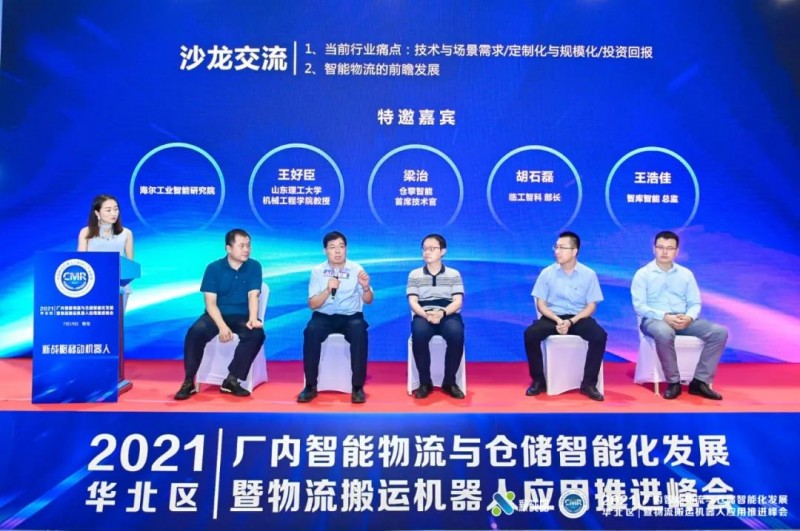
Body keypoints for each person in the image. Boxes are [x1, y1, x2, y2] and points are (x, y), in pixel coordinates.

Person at [631, 230, 728, 400]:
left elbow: (695, 302)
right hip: (654, 320)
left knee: (719, 332)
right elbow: (639, 306)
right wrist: (664, 316)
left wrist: (689, 317)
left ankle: (699, 382)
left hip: (683, 319)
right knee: (664, 332)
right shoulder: (643, 274)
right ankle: (674, 382)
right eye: (660, 247)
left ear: (677, 251)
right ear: (654, 249)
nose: (664, 252)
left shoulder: (686, 274)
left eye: (670, 248)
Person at [174, 229, 265, 400]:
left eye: (248, 245)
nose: (246, 250)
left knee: (256, 334)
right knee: (195, 332)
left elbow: (253, 295)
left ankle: (232, 379)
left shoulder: (254, 266)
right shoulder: (213, 268)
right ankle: (189, 381)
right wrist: (222, 326)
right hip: (215, 315)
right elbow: (210, 303)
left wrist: (253, 318)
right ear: (228, 248)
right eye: (241, 246)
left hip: (242, 316)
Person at [523, 231, 607, 401]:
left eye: (562, 248)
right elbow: (541, 304)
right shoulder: (547, 273)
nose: (557, 251)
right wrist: (558, 320)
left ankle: (589, 384)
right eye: (556, 247)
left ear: (574, 251)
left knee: (599, 336)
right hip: (553, 317)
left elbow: (591, 306)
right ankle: (538, 380)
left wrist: (571, 321)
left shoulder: (588, 274)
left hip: (578, 318)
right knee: (530, 334)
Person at [297, 231, 373, 404]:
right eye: (332, 247)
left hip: (351, 317)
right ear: (325, 251)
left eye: (341, 247)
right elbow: (313, 304)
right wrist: (327, 290)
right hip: (324, 316)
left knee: (360, 330)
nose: (338, 251)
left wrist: (366, 287)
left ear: (346, 249)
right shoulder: (317, 271)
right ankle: (310, 386)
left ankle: (357, 387)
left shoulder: (357, 269)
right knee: (311, 331)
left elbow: (368, 301)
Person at [407, 234, 466, 399]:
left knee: (456, 333)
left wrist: (442, 313)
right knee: (419, 333)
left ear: (443, 251)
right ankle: (425, 383)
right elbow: (413, 302)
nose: (427, 252)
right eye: (425, 249)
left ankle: (449, 382)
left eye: (432, 248)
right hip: (423, 314)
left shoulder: (454, 274)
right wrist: (426, 315)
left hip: (448, 314)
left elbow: (458, 301)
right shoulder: (414, 275)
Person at [77, 194, 134, 308]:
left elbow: (130, 264)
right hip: (93, 285)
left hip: (118, 286)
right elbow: (80, 262)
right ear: (97, 213)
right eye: (108, 210)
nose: (113, 213)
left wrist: (122, 280)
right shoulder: (86, 232)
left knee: (116, 319)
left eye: (116, 209)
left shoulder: (126, 233)